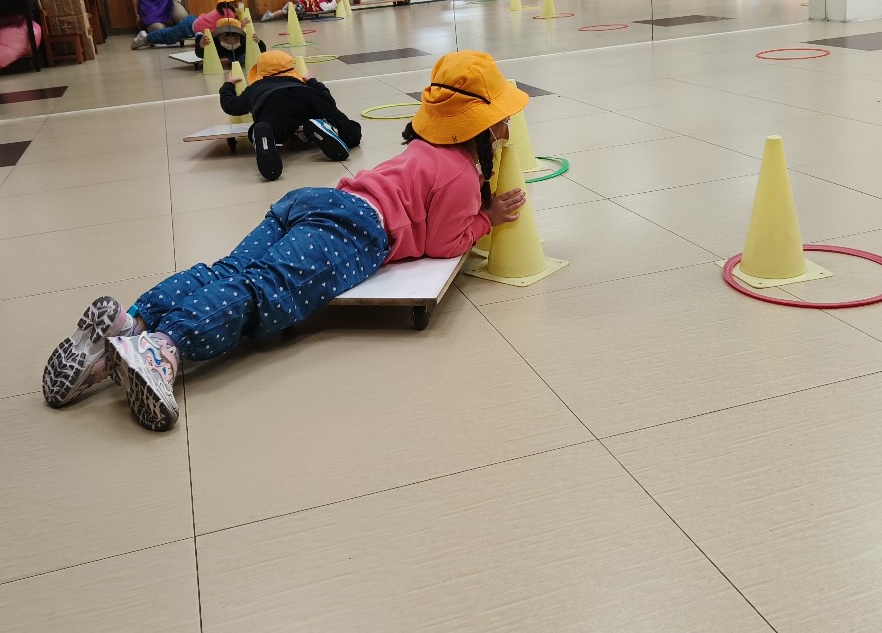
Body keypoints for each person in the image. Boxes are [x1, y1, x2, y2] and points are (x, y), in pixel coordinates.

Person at [41, 50, 529, 432]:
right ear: (482, 125)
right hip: (357, 229)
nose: (508, 125)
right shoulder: (461, 174)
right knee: (265, 290)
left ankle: (130, 325)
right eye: (503, 116)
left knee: (229, 270)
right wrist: (485, 219)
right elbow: (444, 244)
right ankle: (162, 349)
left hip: (311, 200)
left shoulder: (420, 147)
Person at [219, 49, 362, 178]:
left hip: (269, 102)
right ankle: (328, 126)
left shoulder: (255, 87)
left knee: (271, 126)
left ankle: (266, 136)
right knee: (350, 127)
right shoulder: (300, 82)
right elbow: (329, 101)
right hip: (305, 95)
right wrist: (313, 81)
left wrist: (228, 85)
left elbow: (231, 106)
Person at [130, 0, 251, 50]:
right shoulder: (228, 13)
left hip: (193, 21)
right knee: (169, 36)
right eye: (239, 0)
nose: (241, 2)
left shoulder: (227, 10)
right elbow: (228, 29)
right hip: (188, 27)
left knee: (170, 32)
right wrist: (241, 25)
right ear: (231, 2)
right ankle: (145, 38)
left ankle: (148, 37)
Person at [198, 16, 265, 67]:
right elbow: (201, 55)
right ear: (218, 37)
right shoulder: (213, 43)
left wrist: (258, 42)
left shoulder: (243, 41)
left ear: (240, 37)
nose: (231, 43)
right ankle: (199, 36)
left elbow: (261, 51)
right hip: (220, 56)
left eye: (236, 39)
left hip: (238, 55)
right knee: (200, 38)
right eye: (225, 39)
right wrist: (201, 45)